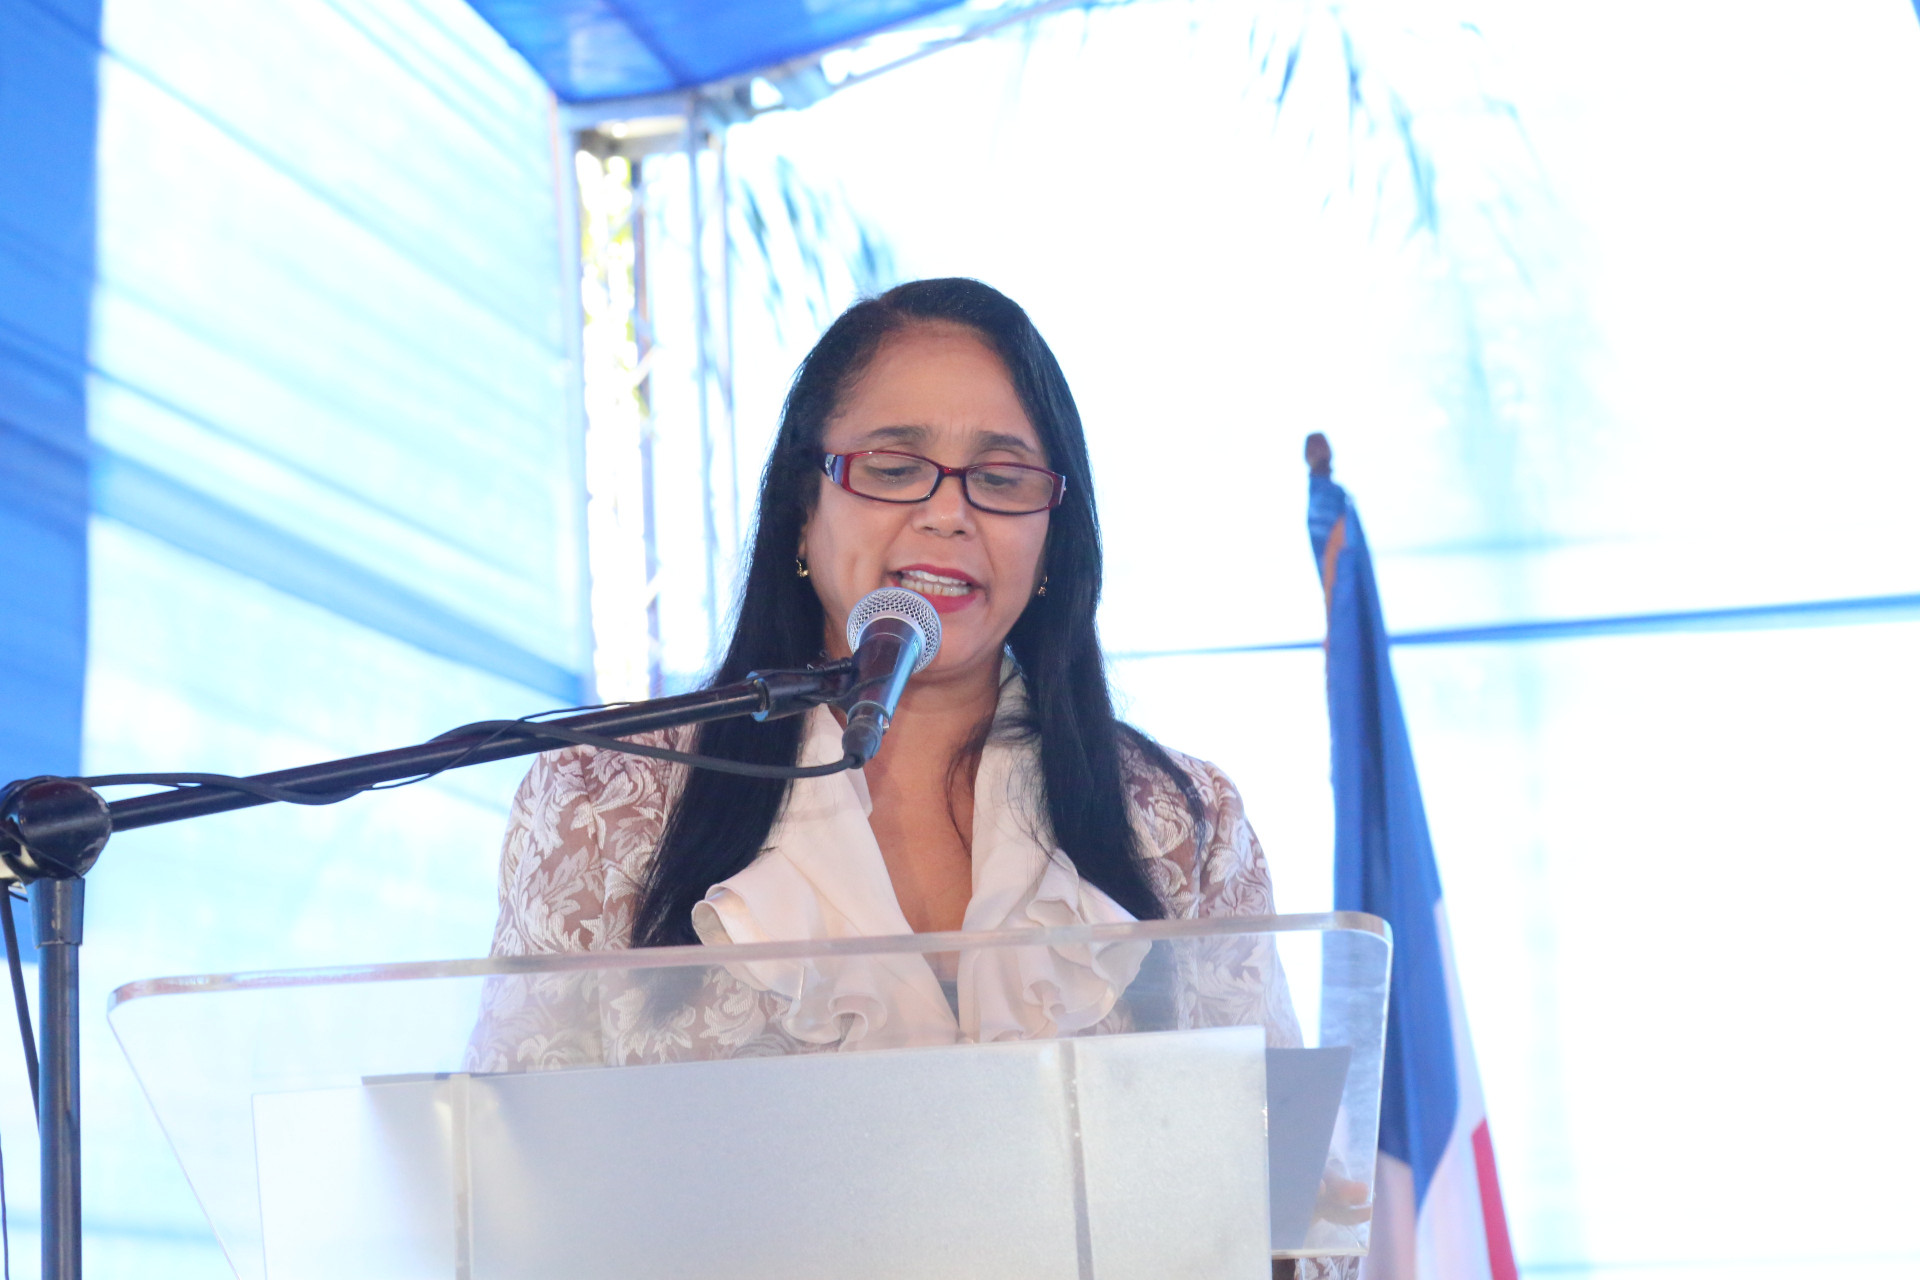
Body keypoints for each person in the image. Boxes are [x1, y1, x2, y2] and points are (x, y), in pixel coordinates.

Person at [478, 278, 1357, 1277]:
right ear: (801, 511)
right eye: (894, 468)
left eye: (1003, 479)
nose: (947, 513)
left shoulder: (1179, 824)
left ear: (1051, 540)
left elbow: (1296, 1220)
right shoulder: (609, 802)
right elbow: (507, 1202)